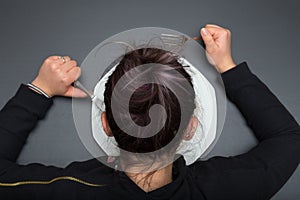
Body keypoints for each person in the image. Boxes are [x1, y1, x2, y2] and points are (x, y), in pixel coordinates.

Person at [0, 24, 299, 200]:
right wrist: (227, 66)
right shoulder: (223, 188)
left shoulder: (74, 190)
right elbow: (288, 140)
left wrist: (38, 90)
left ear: (105, 123)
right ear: (192, 127)